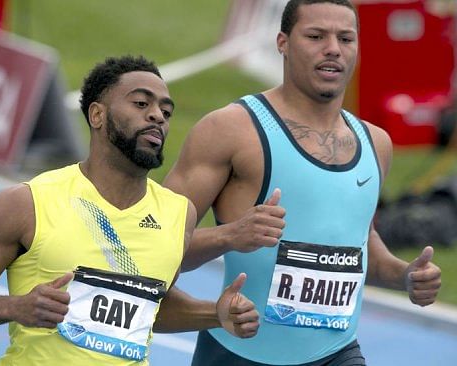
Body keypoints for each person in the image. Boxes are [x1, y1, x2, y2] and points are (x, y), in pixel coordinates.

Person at [163, 1, 442, 365]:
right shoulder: (231, 131)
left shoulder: (376, 144)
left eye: (346, 38)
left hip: (336, 354)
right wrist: (229, 236)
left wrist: (405, 276)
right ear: (282, 42)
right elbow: (151, 243)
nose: (333, 48)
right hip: (239, 353)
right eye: (315, 36)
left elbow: (357, 248)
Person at [0, 55, 260, 365]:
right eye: (141, 104)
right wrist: (13, 307)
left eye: (166, 111)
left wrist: (214, 313)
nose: (158, 117)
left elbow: (150, 307)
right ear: (97, 115)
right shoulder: (28, 203)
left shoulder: (180, 215)